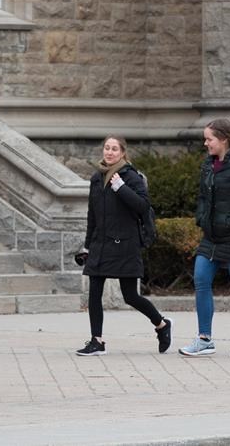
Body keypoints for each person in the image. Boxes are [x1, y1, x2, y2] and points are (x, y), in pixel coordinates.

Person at [74, 136, 171, 356]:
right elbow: (93, 214)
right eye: (107, 148)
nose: (109, 152)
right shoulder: (96, 178)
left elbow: (142, 206)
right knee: (94, 292)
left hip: (125, 245)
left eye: (114, 149)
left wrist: (121, 187)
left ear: (123, 153)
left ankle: (162, 325)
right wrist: (87, 245)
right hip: (100, 244)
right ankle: (96, 341)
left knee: (130, 296)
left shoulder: (131, 176)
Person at [179, 118, 230, 359]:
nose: (205, 143)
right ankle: (204, 339)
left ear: (223, 140)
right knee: (201, 279)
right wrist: (202, 218)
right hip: (212, 236)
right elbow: (203, 197)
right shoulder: (209, 164)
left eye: (209, 139)